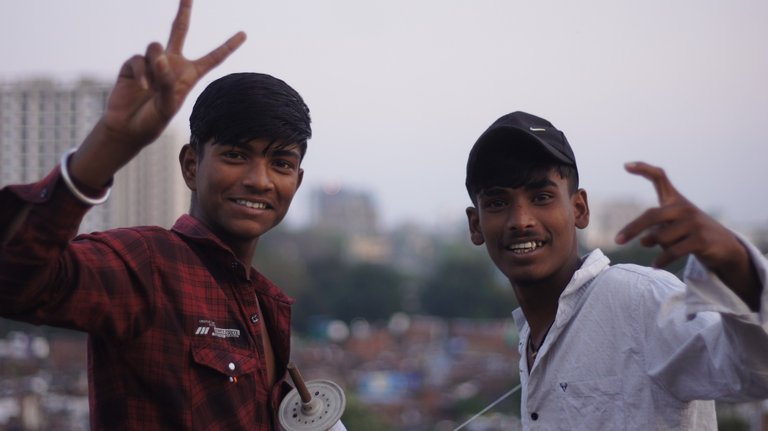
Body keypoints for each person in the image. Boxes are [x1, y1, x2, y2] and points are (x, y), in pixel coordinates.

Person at [0, 1, 311, 429]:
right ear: (190, 166)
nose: (260, 180)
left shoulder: (266, 304)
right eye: (236, 155)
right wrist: (111, 141)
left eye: (281, 163)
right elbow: (16, 281)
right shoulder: (147, 264)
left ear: (297, 180)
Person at [464, 111, 768, 429]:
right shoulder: (532, 335)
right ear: (476, 225)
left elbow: (756, 373)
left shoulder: (638, 299)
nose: (521, 221)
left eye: (541, 197)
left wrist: (737, 265)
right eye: (498, 203)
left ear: (579, 209)